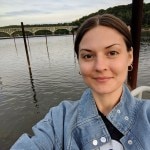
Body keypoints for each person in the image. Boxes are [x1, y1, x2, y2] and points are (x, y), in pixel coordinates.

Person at [11, 14, 150, 150]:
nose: (100, 66)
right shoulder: (59, 120)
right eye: (88, 56)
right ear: (79, 61)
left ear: (130, 56)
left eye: (112, 53)